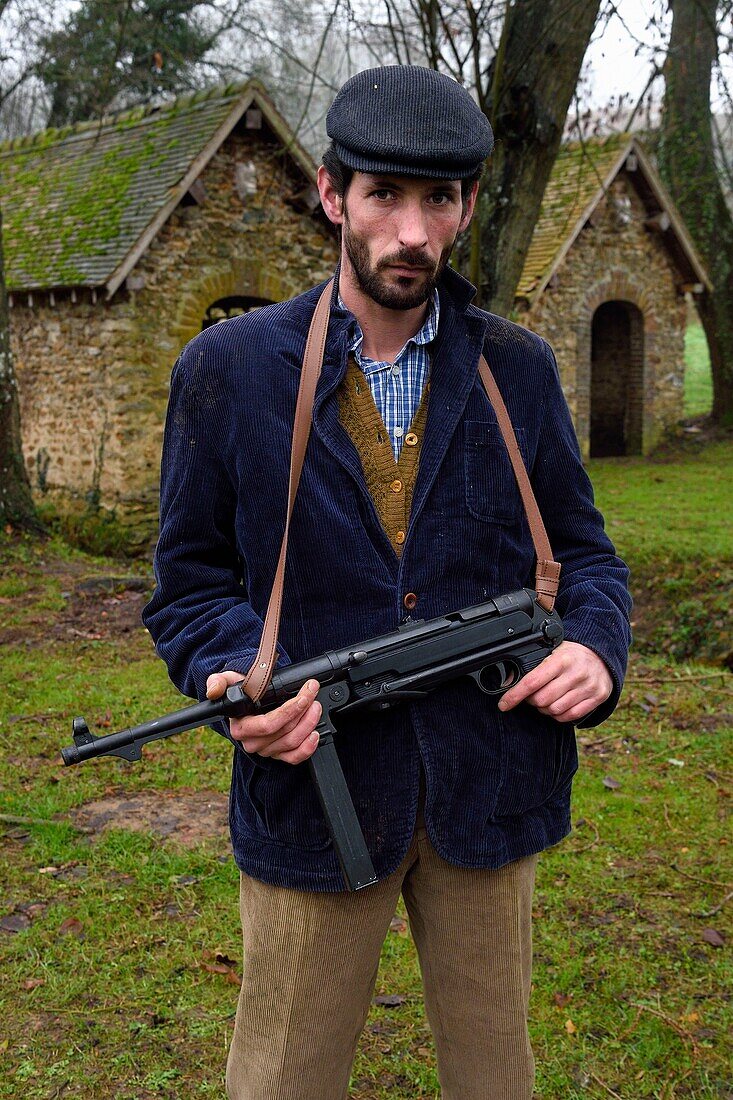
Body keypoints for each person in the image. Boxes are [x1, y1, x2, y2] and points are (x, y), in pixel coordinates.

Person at [143, 65, 631, 1100]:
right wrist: (238, 673)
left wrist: (594, 644)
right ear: (331, 195)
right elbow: (188, 586)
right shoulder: (227, 370)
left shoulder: (518, 369)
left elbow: (584, 556)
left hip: (490, 785)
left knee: (496, 1073)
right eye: (384, 196)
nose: (412, 231)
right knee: (283, 1074)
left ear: (462, 208)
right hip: (314, 797)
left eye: (438, 200)